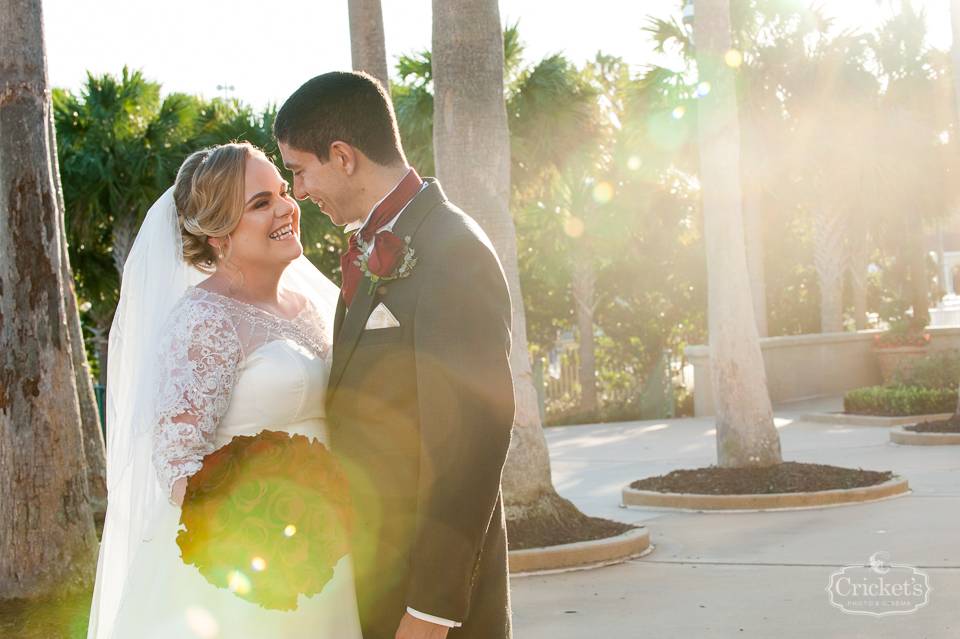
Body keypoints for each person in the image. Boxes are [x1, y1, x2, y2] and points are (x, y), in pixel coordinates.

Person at [87, 142, 362, 639]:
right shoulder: (204, 321)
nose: (286, 207)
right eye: (260, 203)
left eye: (282, 191)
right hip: (246, 569)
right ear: (217, 236)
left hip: (323, 548)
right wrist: (259, 535)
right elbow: (177, 464)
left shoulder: (309, 307)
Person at [275, 71, 515, 639]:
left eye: (299, 171)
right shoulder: (370, 245)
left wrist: (432, 609)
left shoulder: (453, 251)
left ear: (342, 156)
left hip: (427, 601)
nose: (300, 191)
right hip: (375, 577)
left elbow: (473, 442)